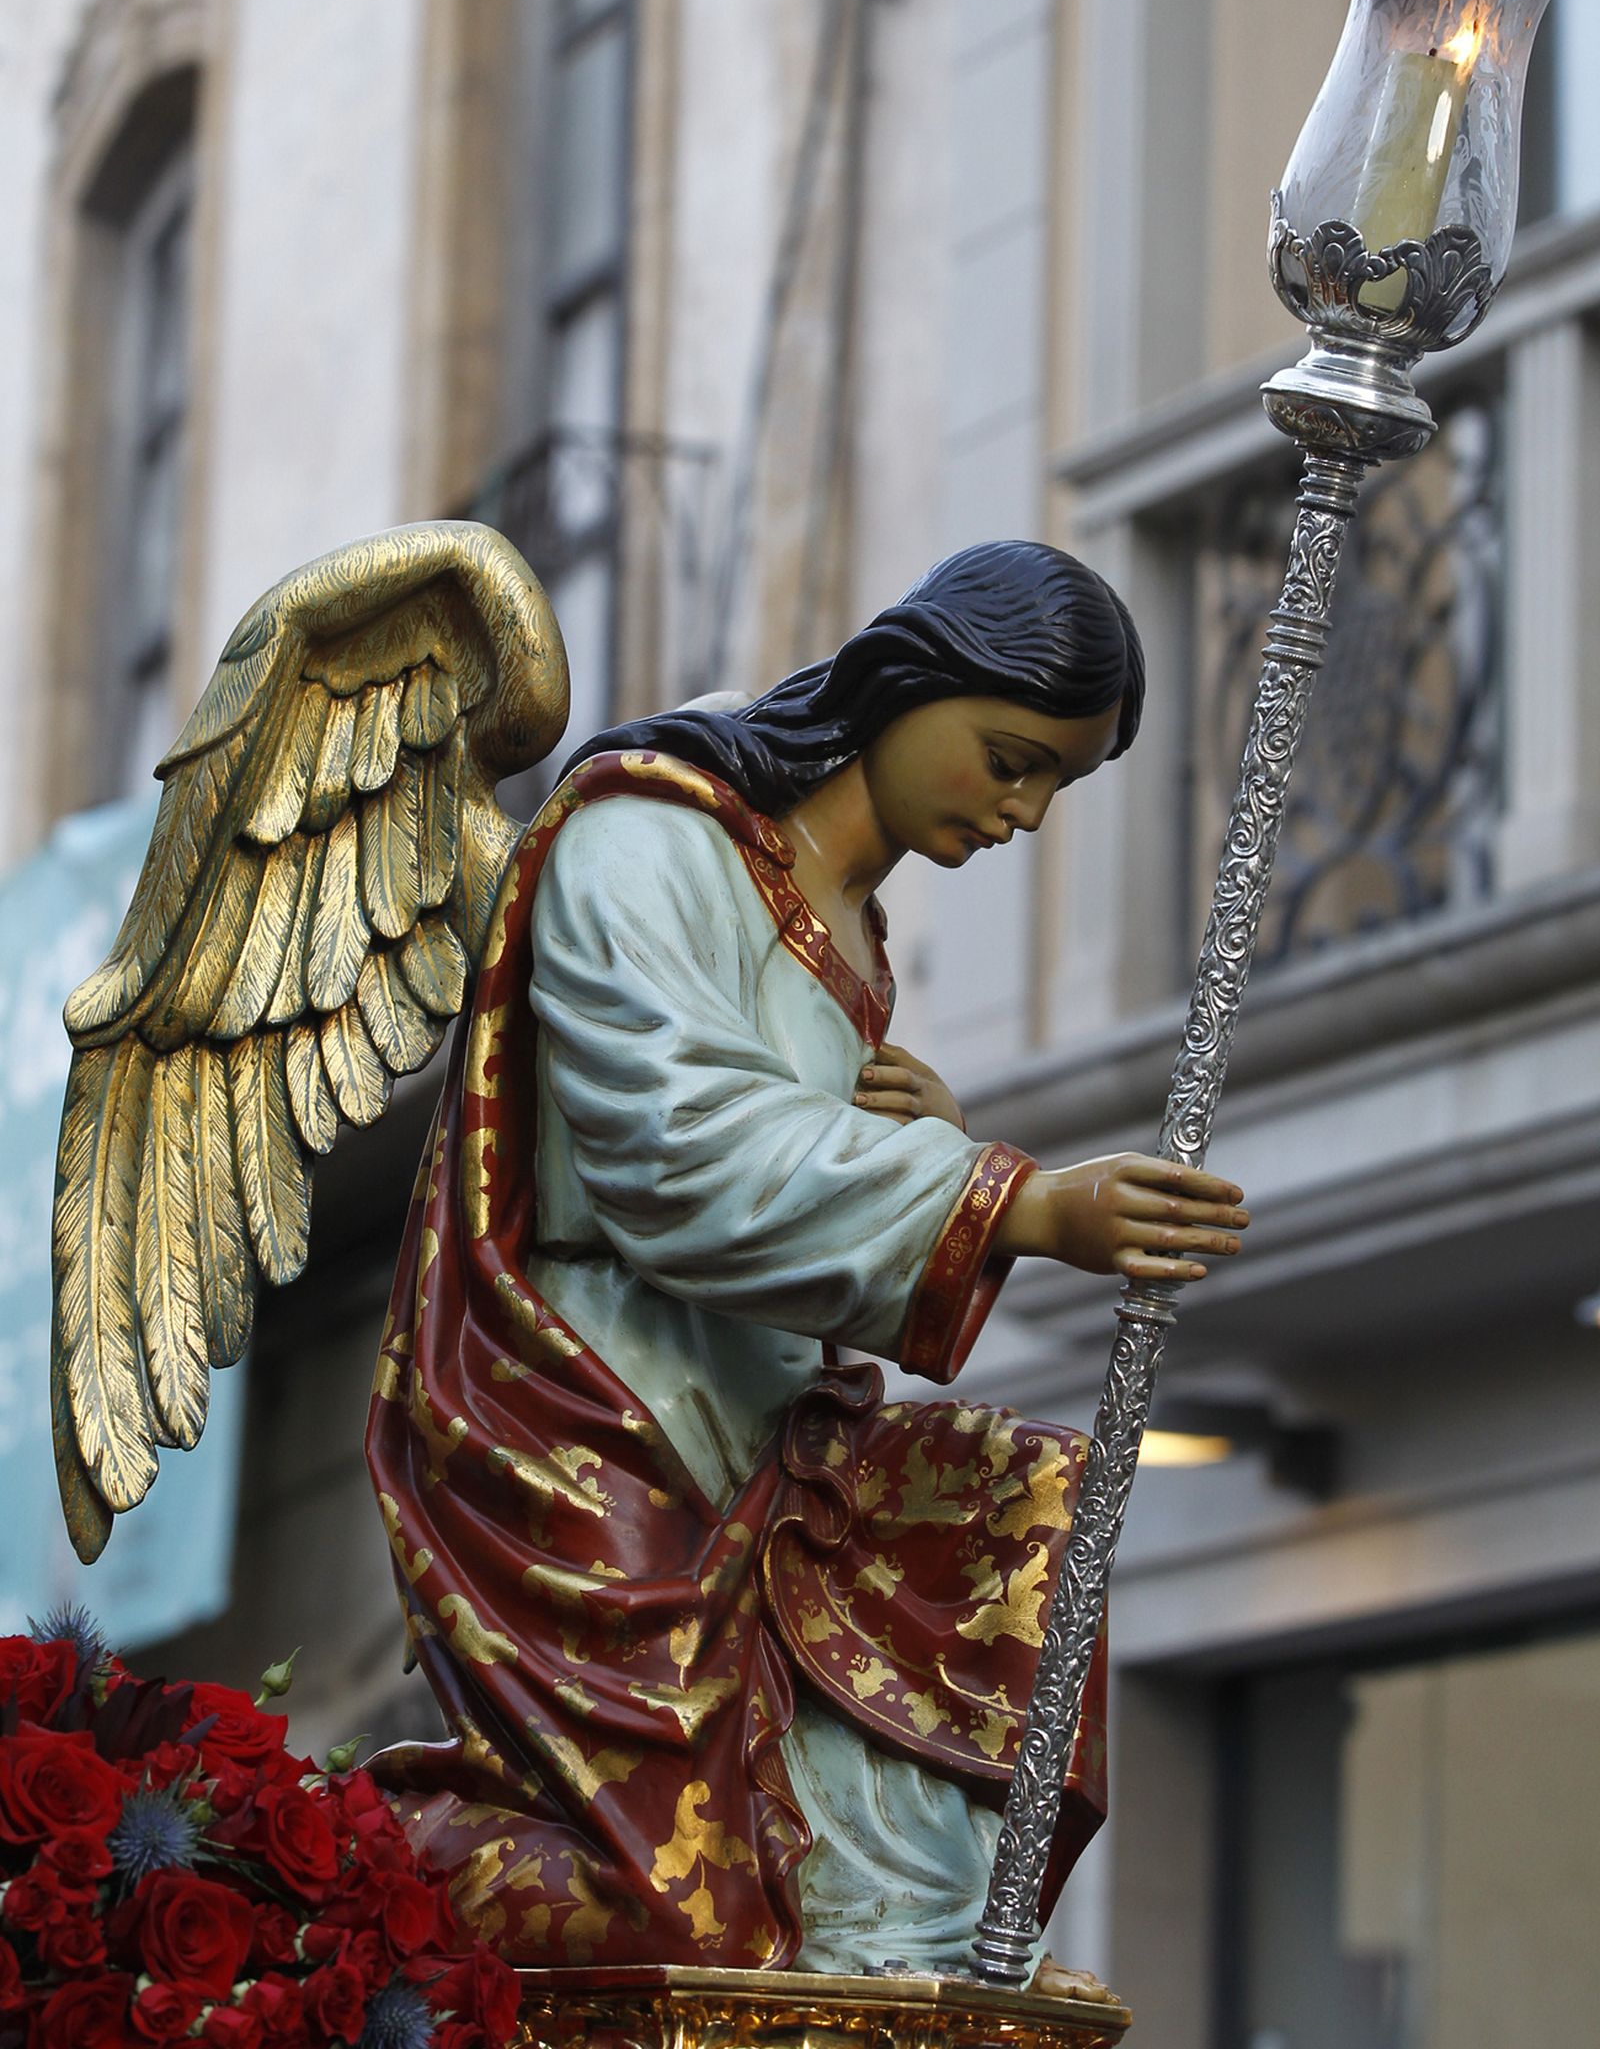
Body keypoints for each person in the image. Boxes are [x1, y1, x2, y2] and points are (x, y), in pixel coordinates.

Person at [365, 540, 1248, 1977]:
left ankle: (907, 1963)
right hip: (583, 1408)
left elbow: (796, 1188)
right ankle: (338, 1885)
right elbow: (673, 1156)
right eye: (1010, 760)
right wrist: (1005, 1200)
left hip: (763, 1436)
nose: (1024, 812)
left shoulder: (852, 932)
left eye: (1055, 788)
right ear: (911, 681)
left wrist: (941, 1148)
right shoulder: (646, 830)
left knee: (1018, 1541)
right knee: (672, 1908)